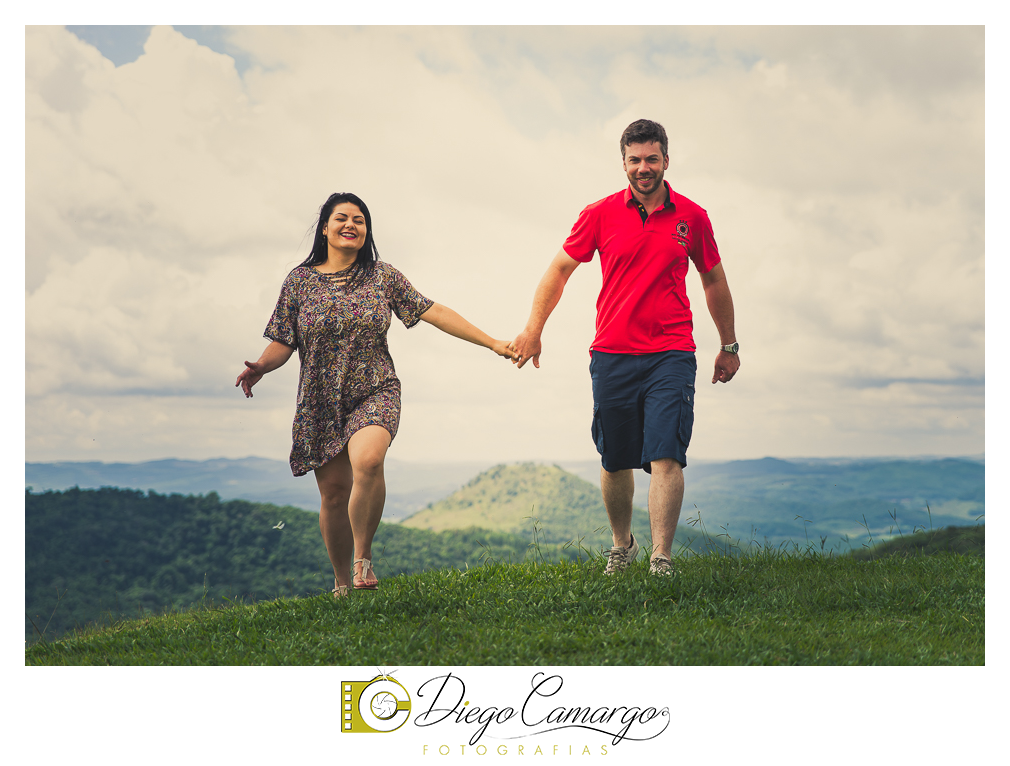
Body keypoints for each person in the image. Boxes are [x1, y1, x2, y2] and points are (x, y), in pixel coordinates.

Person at [237, 192, 515, 597]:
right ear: (326, 228)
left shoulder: (382, 276)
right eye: (342, 218)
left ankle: (363, 558)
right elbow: (283, 339)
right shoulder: (298, 281)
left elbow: (433, 311)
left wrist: (492, 342)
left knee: (368, 460)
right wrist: (261, 366)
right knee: (333, 494)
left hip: (375, 387)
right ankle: (342, 584)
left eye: (360, 220)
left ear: (366, 231)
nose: (351, 225)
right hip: (320, 399)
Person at [509, 119, 740, 577]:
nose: (643, 168)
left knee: (666, 454)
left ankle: (661, 557)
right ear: (623, 163)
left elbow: (713, 279)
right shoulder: (598, 213)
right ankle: (623, 546)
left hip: (671, 352)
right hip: (612, 353)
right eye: (634, 160)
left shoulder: (691, 217)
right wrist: (533, 330)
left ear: (666, 161)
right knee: (615, 459)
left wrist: (728, 344)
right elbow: (558, 271)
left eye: (651, 158)